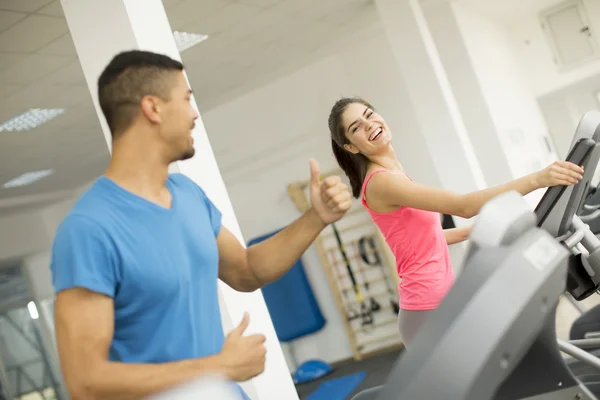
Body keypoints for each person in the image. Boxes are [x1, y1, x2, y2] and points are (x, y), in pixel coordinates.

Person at [49, 50, 352, 400]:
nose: (194, 114)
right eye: (187, 99)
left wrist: (317, 217)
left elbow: (247, 270)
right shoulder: (88, 229)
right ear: (154, 108)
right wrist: (219, 366)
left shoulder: (187, 194)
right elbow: (85, 380)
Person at [328, 97, 584, 348]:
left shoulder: (395, 175)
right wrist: (539, 178)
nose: (368, 123)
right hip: (427, 310)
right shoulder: (382, 182)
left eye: (369, 114)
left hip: (439, 301)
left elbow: (421, 241)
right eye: (356, 127)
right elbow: (465, 206)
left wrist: (478, 232)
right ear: (351, 147)